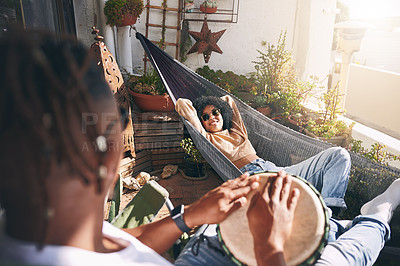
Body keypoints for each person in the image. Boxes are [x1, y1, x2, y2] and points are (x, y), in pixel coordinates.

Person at [0, 27, 398, 266]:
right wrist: (270, 247)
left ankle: (339, 216)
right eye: (118, 124)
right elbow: (187, 108)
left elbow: (108, 250)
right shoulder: (208, 134)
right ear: (106, 151)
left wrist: (187, 218)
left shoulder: (44, 228)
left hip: (256, 175)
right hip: (250, 177)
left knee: (338, 158)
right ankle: (377, 214)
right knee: (336, 256)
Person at [175, 95, 351, 215]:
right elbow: (182, 103)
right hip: (258, 179)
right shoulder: (207, 139)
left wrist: (217, 105)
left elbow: (228, 101)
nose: (212, 117)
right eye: (205, 117)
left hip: (276, 170)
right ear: (202, 122)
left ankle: (330, 212)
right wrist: (199, 115)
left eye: (216, 112)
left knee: (338, 154)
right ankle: (326, 219)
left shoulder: (237, 131)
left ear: (223, 113)